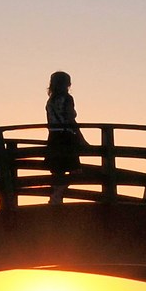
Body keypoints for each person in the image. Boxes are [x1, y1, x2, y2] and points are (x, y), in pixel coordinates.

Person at [44, 71, 80, 206]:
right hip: (66, 136)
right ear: (67, 84)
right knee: (75, 170)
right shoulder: (67, 98)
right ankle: (57, 196)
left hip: (53, 137)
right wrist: (80, 137)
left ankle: (56, 198)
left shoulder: (50, 101)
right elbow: (70, 119)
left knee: (57, 172)